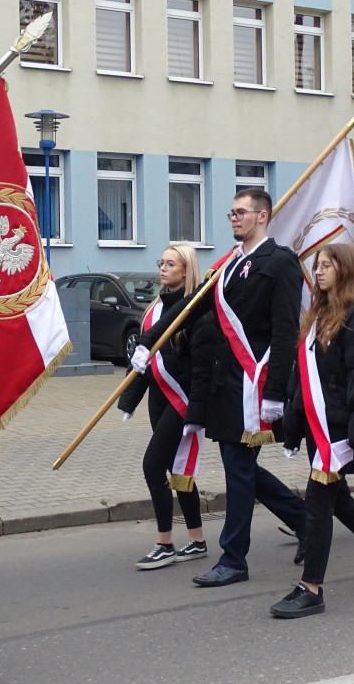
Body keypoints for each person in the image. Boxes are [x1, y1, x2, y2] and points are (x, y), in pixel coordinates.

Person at [132, 188, 306, 587]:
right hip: (226, 387)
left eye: (241, 213)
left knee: (239, 470)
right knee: (242, 468)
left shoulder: (281, 263)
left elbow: (284, 332)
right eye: (231, 213)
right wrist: (148, 341)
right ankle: (305, 520)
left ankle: (233, 557)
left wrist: (276, 391)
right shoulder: (228, 266)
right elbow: (188, 308)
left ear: (263, 217)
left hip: (256, 386)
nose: (234, 219)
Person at [270, 244, 354, 618]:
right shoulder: (318, 314)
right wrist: (293, 424)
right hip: (320, 428)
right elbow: (306, 379)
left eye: (327, 266)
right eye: (316, 266)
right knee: (338, 500)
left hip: (341, 433)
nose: (318, 272)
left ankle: (310, 587)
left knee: (317, 505)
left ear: (344, 270)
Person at [119, 244, 207, 569]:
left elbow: (201, 367)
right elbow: (144, 360)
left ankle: (165, 543)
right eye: (162, 262)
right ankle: (197, 540)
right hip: (159, 397)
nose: (163, 268)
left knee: (152, 466)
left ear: (187, 270)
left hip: (182, 400)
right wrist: (129, 399)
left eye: (171, 264)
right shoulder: (154, 309)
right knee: (175, 469)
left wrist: (197, 410)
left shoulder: (194, 309)